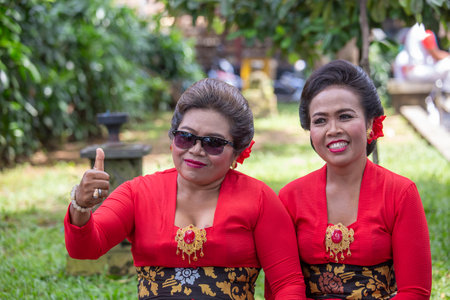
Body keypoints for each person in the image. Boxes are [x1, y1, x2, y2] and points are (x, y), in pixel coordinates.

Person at [64, 78, 306, 299]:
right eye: (186, 138)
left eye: (213, 143)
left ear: (239, 152)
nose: (196, 150)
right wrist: (81, 206)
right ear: (172, 140)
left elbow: (287, 283)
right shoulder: (137, 193)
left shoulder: (260, 200)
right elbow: (85, 249)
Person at [277, 60, 432, 299]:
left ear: (371, 122)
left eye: (345, 116)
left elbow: (415, 292)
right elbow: (282, 287)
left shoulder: (400, 193)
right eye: (320, 120)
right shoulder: (290, 198)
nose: (333, 129)